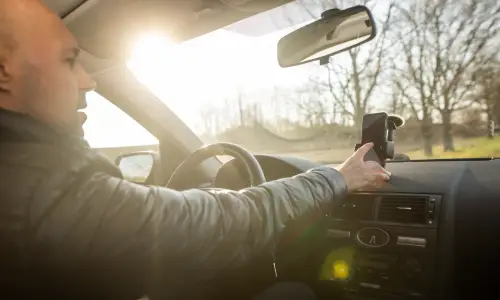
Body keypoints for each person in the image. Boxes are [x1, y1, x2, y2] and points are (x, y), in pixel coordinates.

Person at [0, 0, 391, 299]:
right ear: (4, 71)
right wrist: (337, 177)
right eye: (70, 61)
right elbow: (228, 222)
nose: (90, 82)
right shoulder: (43, 190)